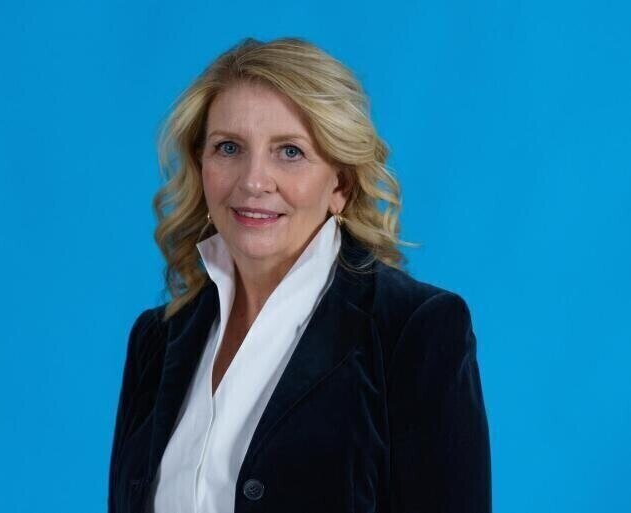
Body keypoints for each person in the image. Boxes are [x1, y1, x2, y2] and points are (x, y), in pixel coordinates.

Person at [108, 36, 491, 513]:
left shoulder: (415, 331)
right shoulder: (156, 339)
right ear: (200, 165)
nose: (253, 181)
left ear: (340, 183)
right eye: (228, 147)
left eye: (289, 151)